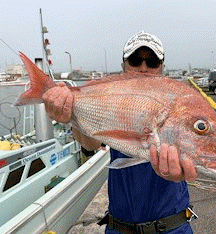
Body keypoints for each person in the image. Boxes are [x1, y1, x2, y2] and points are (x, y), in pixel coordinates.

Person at [42, 31, 198, 234]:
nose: (143, 68)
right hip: (120, 227)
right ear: (124, 66)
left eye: (152, 62)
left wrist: (188, 168)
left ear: (162, 69)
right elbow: (89, 144)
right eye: (135, 60)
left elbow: (198, 150)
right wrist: (70, 115)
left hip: (173, 226)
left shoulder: (177, 102)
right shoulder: (109, 97)